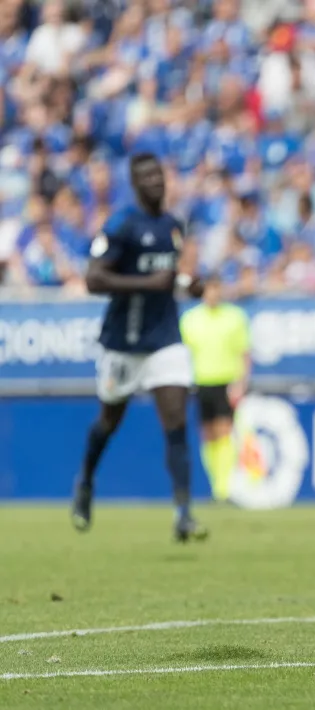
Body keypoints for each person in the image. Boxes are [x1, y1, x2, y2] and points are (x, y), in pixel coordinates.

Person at [71, 153, 209, 543]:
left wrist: (187, 286)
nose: (155, 181)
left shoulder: (172, 225)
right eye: (146, 176)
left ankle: (183, 513)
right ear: (134, 184)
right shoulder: (121, 224)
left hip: (164, 338)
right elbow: (93, 280)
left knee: (177, 419)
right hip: (124, 343)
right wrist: (149, 283)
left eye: (159, 174)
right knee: (108, 422)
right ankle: (85, 481)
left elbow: (168, 279)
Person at [180, 274, 251, 503]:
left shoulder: (234, 317)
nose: (213, 293)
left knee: (224, 431)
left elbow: (244, 353)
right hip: (200, 382)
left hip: (225, 380)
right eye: (209, 289)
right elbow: (183, 355)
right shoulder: (190, 319)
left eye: (216, 288)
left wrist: (240, 383)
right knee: (207, 434)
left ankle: (223, 488)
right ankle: (215, 485)